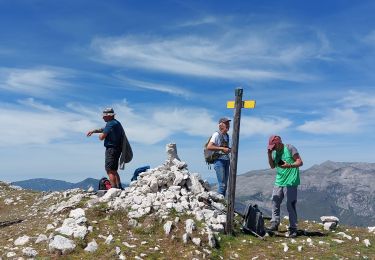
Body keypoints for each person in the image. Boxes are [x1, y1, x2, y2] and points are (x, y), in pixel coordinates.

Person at [267, 135, 303, 238]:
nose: (273, 148)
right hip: (279, 181)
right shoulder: (274, 152)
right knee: (275, 200)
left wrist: (289, 165)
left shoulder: (290, 148)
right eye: (271, 146)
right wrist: (269, 154)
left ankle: (293, 228)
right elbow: (272, 166)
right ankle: (274, 223)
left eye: (274, 146)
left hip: (291, 181)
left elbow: (300, 162)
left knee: (290, 205)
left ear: (279, 142)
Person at [87, 108, 124, 189]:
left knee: (109, 170)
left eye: (104, 116)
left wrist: (100, 135)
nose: (103, 118)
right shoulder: (117, 123)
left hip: (111, 149)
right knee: (114, 170)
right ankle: (119, 188)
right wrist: (93, 131)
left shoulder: (110, 124)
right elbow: (103, 129)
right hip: (117, 149)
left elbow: (102, 137)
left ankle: (113, 190)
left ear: (108, 116)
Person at [207, 117, 231, 196]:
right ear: (221, 125)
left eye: (228, 123)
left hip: (226, 160)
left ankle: (222, 202)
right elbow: (209, 146)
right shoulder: (216, 134)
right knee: (222, 185)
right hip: (219, 161)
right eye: (226, 123)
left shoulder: (226, 136)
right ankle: (220, 203)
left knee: (225, 185)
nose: (228, 125)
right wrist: (222, 148)